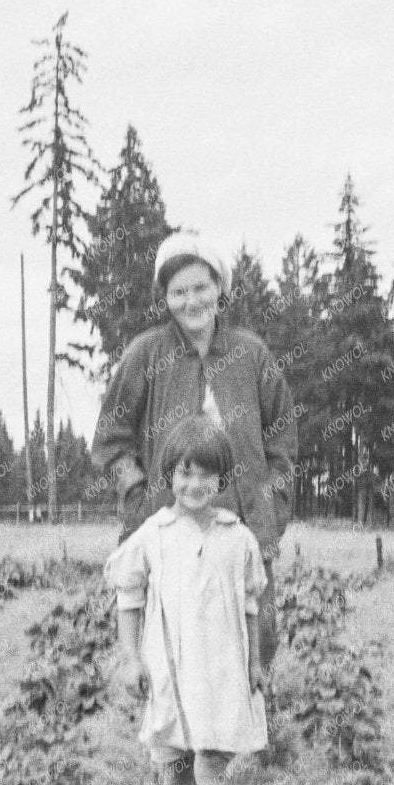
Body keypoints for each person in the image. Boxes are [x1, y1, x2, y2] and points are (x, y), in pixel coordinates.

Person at [92, 237, 295, 672]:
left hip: (242, 531)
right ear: (165, 298)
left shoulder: (252, 355)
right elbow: (111, 437)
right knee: (172, 655)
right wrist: (139, 499)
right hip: (169, 531)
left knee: (252, 649)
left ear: (220, 288)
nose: (192, 301)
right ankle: (177, 739)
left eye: (201, 288)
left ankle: (247, 738)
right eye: (178, 292)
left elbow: (282, 445)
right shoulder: (145, 354)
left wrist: (271, 507)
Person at [104, 415, 268, 785]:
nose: (196, 485)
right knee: (175, 763)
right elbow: (128, 596)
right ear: (169, 475)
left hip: (222, 668)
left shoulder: (238, 537)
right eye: (185, 473)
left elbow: (251, 604)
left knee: (214, 761)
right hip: (171, 667)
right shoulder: (153, 534)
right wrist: (130, 657)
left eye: (207, 475)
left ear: (222, 479)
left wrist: (256, 661)